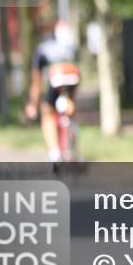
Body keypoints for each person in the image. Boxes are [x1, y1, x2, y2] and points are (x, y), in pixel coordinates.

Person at [25, 21, 80, 163]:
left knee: (47, 113)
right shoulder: (73, 49)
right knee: (70, 108)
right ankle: (73, 137)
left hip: (55, 79)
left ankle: (54, 152)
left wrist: (33, 104)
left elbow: (36, 82)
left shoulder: (42, 50)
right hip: (72, 77)